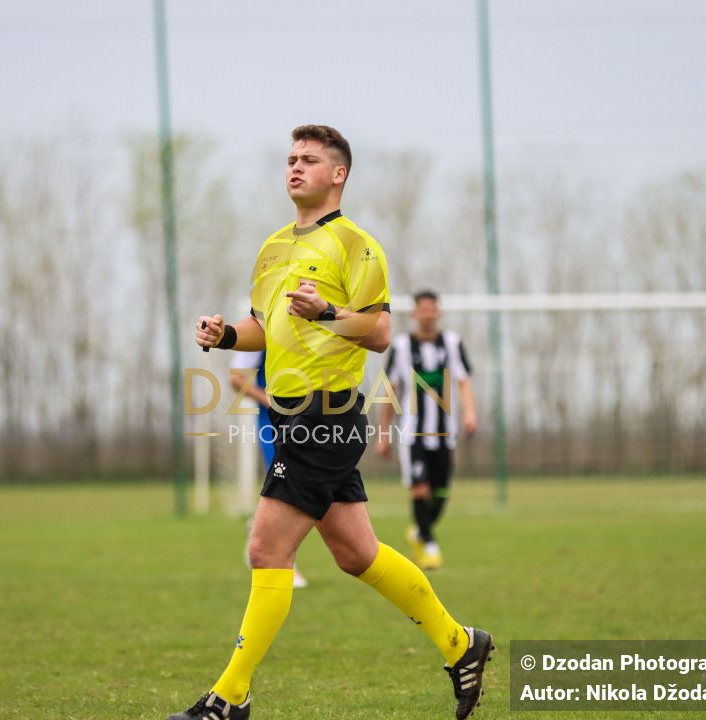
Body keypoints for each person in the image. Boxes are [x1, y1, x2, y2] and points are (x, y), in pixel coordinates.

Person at [175, 125, 492, 720]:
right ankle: (460, 643)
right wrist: (224, 337)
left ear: (338, 174)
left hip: (329, 414)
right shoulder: (271, 247)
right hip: (292, 414)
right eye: (290, 159)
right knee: (356, 553)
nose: (294, 168)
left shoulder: (355, 245)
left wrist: (327, 312)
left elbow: (377, 333)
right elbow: (263, 330)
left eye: (309, 160)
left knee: (266, 550)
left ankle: (229, 698)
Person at [376, 290, 477, 571]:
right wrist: (383, 434)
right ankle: (430, 544)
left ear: (439, 312)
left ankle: (420, 531)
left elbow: (463, 381)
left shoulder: (453, 344)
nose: (428, 314)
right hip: (412, 433)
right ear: (414, 313)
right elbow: (390, 391)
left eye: (433, 309)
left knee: (442, 492)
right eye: (423, 309)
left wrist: (470, 412)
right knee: (420, 488)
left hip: (445, 432)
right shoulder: (401, 346)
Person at [230, 350, 307, 589]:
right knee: (286, 486)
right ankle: (283, 563)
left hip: (311, 419)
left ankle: (258, 529)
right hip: (274, 423)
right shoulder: (261, 330)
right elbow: (237, 378)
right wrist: (271, 400)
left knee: (303, 487)